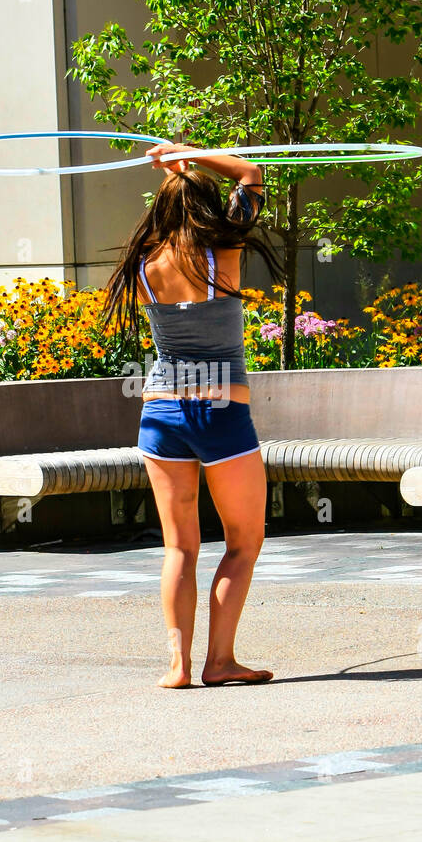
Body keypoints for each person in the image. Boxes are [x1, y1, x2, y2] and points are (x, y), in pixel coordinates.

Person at [105, 139, 281, 689]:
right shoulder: (221, 254)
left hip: (160, 411)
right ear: (209, 208)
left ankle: (178, 667)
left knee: (180, 546)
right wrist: (194, 153)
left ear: (159, 211)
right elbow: (252, 173)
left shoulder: (144, 264)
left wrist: (174, 171)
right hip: (220, 410)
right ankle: (220, 661)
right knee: (242, 543)